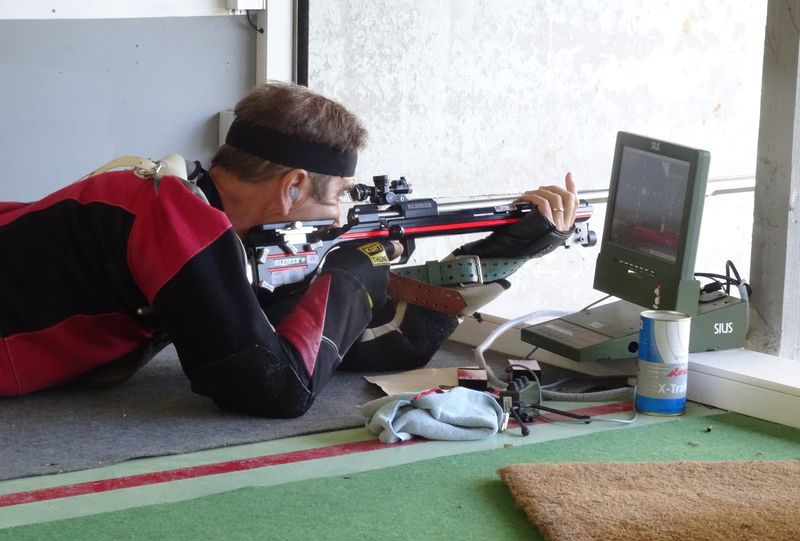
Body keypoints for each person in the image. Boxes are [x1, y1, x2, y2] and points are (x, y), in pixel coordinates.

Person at [0, 82, 578, 417]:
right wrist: (351, 268)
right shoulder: (176, 218)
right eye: (339, 197)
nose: (340, 216)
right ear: (293, 187)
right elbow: (274, 388)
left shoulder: (202, 217)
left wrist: (505, 252)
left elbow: (368, 345)